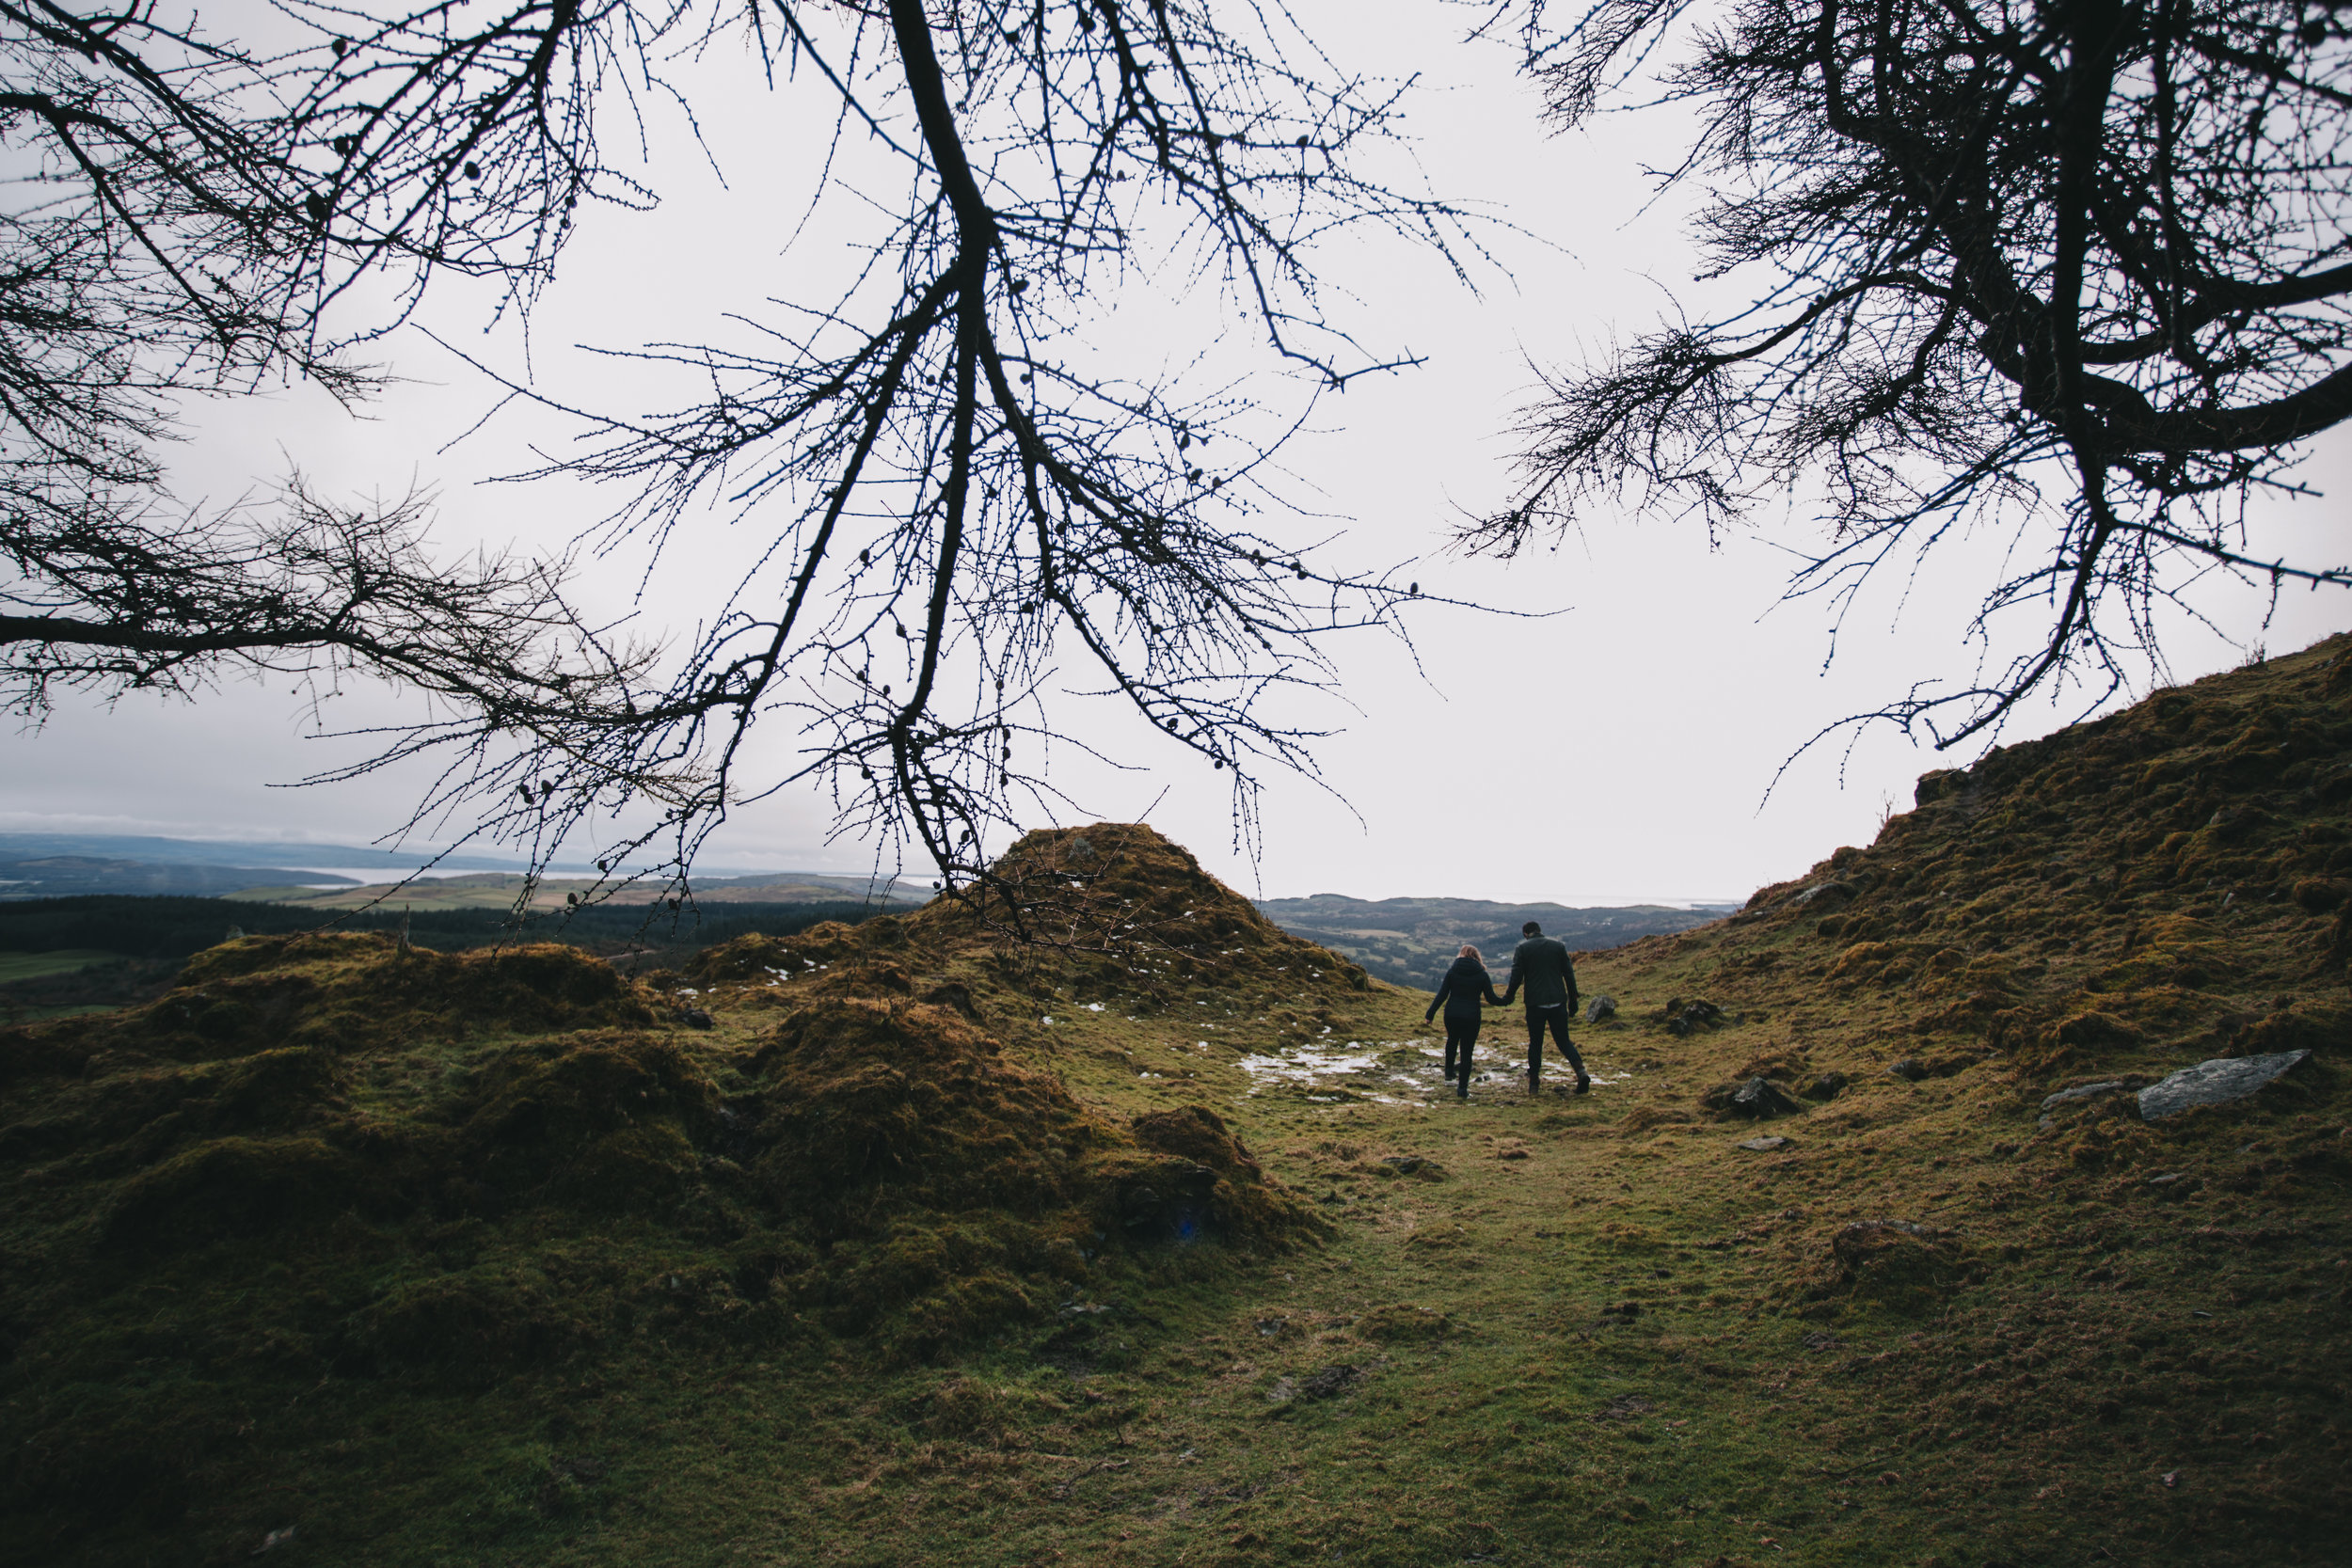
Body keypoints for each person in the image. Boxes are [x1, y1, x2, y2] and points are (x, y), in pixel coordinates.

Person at [1500, 920, 1590, 1096]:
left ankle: (1534, 1082)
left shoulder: (1523, 949)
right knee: (1564, 1040)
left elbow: (1516, 976)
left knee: (1536, 1042)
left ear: (1525, 934)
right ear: (1540, 931)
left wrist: (1509, 996)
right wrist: (1573, 999)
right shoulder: (1558, 946)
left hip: (1535, 1003)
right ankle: (1581, 1072)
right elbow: (1569, 975)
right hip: (1558, 1001)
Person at [1423, 944, 1503, 1099]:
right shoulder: (1482, 974)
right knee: (1467, 1052)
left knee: (1452, 1041)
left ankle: (1448, 1073)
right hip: (1471, 1017)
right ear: (1477, 957)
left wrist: (1430, 1014)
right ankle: (1462, 1089)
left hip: (1451, 1014)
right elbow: (1491, 998)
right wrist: (1507, 1000)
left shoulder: (1453, 971)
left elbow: (1442, 995)